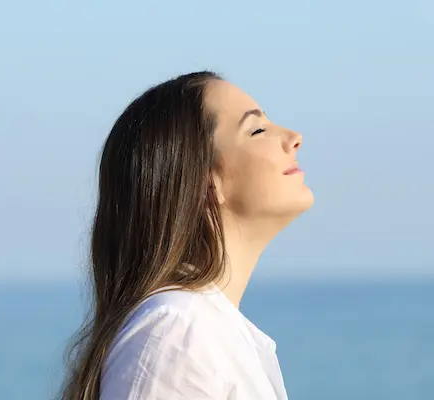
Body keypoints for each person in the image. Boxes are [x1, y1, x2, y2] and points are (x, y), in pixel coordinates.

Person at [60, 71, 313, 400]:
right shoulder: (176, 333)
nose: (294, 138)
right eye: (257, 130)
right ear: (205, 182)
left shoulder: (200, 330)